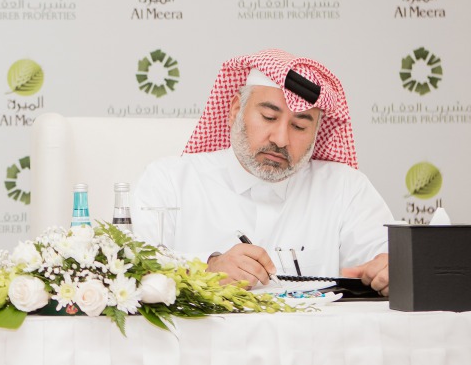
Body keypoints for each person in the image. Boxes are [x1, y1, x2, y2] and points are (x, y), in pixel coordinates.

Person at [133, 48, 393, 294]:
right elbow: (131, 266)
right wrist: (205, 269)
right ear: (236, 110)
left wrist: (392, 270)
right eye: (269, 117)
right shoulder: (169, 181)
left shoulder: (345, 188)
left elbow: (386, 255)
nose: (281, 139)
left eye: (299, 127)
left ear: (316, 132)